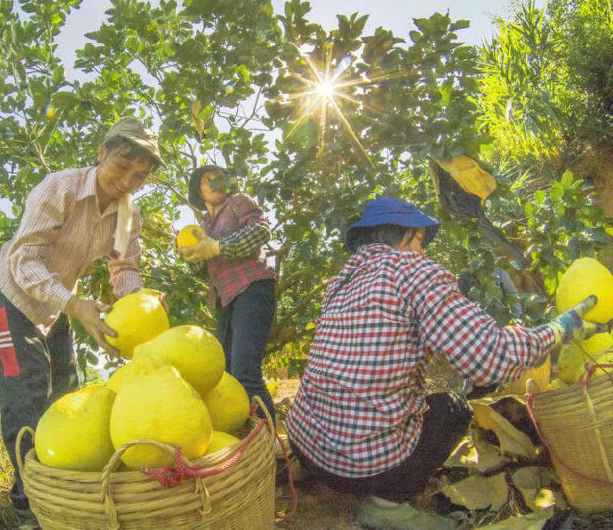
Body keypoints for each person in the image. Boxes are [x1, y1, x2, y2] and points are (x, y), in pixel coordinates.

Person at [285, 196, 609, 529]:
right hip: (360, 468)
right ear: (406, 235)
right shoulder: (415, 271)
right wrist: (557, 330)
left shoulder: (339, 285)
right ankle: (386, 506)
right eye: (421, 242)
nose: (423, 252)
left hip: (306, 445)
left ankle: (313, 467)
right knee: (453, 409)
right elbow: (491, 356)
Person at [0, 117, 163, 512]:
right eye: (122, 166)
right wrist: (74, 305)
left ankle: (66, 488)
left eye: (140, 176)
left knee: (66, 391)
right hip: (14, 295)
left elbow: (125, 271)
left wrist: (139, 309)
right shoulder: (60, 188)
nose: (127, 181)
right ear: (102, 153)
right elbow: (24, 258)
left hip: (61, 300)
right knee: (27, 393)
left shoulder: (128, 216)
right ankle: (28, 498)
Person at [179, 165, 277, 420]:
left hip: (253, 288)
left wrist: (219, 246)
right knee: (228, 375)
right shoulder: (202, 227)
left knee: (245, 372)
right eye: (207, 180)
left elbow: (260, 230)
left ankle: (270, 439)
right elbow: (207, 270)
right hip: (226, 300)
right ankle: (248, 437)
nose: (214, 183)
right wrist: (195, 257)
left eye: (218, 178)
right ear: (198, 192)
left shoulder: (238, 202)